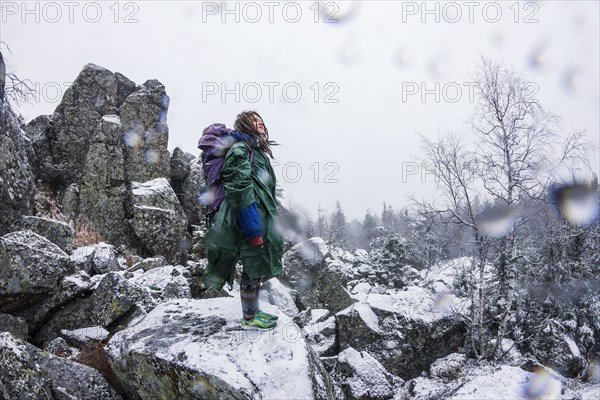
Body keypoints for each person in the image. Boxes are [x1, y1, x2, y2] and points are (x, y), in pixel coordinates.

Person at [201, 110, 284, 330]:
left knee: (254, 265)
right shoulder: (241, 149)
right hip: (246, 220)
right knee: (252, 263)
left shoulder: (256, 151)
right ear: (244, 126)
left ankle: (252, 312)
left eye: (261, 121)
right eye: (254, 121)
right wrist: (253, 228)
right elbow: (240, 189)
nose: (260, 124)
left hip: (257, 217)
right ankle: (249, 317)